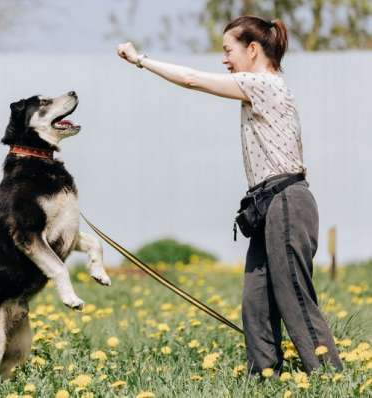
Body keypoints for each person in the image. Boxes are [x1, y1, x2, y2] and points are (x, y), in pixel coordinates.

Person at [116, 15, 343, 375]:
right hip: (268, 203)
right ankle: (265, 376)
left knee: (293, 294)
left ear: (252, 50)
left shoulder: (263, 83)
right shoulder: (263, 85)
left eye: (228, 50)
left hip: (286, 201)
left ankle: (329, 375)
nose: (224, 59)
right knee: (256, 300)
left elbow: (192, 79)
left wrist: (140, 60)